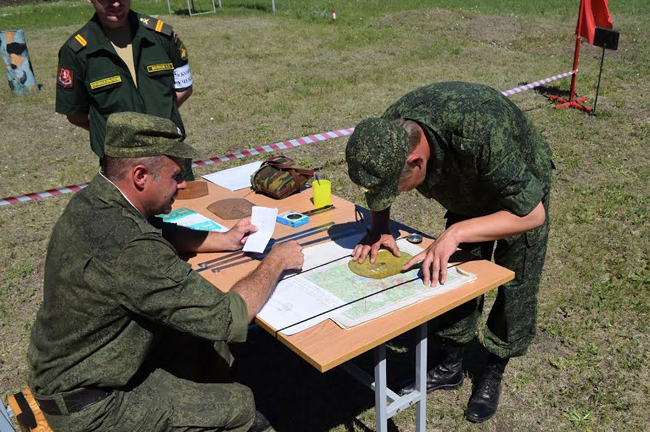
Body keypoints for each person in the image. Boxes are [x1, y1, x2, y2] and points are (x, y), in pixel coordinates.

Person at [27, 112, 304, 432]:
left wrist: (224, 239)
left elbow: (157, 230)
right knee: (239, 405)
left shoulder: (96, 200)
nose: (183, 183)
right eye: (175, 175)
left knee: (203, 344)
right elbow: (229, 319)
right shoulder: (133, 249)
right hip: (93, 409)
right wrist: (277, 260)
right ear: (141, 175)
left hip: (66, 373)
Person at [345, 81, 552, 423]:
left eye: (396, 188)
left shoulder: (480, 130)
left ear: (415, 161)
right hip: (466, 184)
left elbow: (532, 213)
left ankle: (494, 366)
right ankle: (450, 363)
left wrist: (455, 231)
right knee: (452, 270)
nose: (394, 196)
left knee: (517, 277)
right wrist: (379, 227)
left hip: (518, 187)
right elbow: (384, 186)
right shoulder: (387, 135)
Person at [55, 0, 196, 180]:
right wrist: (121, 134)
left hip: (171, 156)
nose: (115, 3)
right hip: (122, 166)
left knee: (185, 208)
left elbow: (183, 89)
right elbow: (76, 114)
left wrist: (158, 121)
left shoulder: (161, 36)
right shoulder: (77, 51)